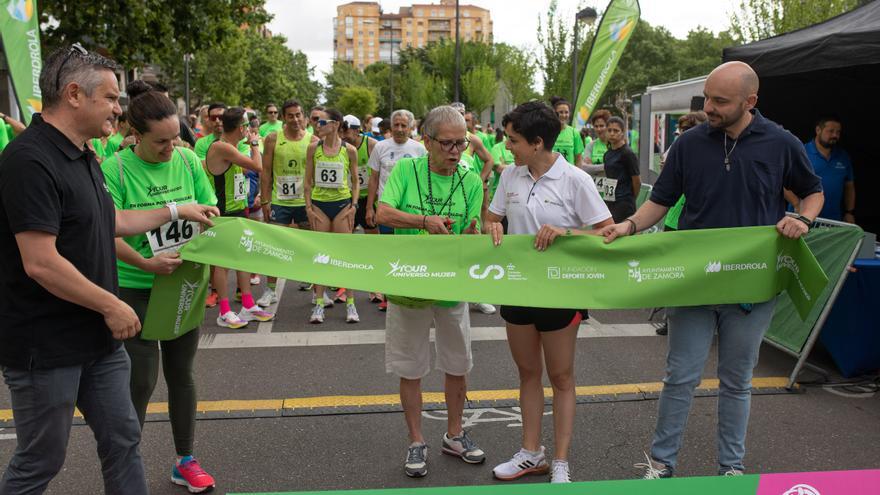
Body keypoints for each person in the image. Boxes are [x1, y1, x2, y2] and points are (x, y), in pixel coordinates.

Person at [0, 43, 217, 495]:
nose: (121, 109)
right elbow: (40, 262)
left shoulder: (82, 154)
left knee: (123, 441)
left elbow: (111, 221)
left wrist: (180, 209)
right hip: (46, 345)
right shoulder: (28, 160)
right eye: (113, 98)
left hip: (97, 341)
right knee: (40, 460)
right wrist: (112, 304)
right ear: (75, 94)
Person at [598, 61, 824, 479]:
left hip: (752, 285)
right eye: (708, 98)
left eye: (721, 101)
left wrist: (804, 220)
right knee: (680, 376)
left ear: (750, 101)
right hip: (694, 281)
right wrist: (629, 225)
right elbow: (660, 201)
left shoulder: (782, 143)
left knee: (737, 381)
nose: (711, 108)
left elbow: (812, 193)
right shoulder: (688, 144)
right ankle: (662, 464)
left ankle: (731, 469)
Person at [100, 82, 218, 494]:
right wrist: (148, 262)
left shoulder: (187, 160)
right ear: (135, 135)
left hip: (183, 284)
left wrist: (206, 223)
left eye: (175, 139)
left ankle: (185, 459)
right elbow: (106, 233)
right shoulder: (113, 170)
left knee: (182, 375)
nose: (171, 148)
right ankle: (125, 467)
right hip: (135, 287)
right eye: (161, 142)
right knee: (140, 380)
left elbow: (208, 208)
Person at [486, 102, 612, 484]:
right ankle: (530, 454)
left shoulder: (575, 179)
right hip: (518, 287)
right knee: (527, 373)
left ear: (538, 143)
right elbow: (492, 217)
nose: (507, 146)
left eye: (513, 140)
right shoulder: (509, 176)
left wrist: (566, 233)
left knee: (561, 376)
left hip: (561, 290)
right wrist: (492, 227)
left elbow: (607, 232)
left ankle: (559, 461)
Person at [376, 105, 486, 478]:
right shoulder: (407, 170)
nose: (456, 151)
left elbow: (474, 234)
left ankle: (454, 434)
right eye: (448, 144)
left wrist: (475, 237)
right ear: (427, 141)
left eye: (462, 143)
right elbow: (382, 214)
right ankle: (416, 440)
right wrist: (423, 221)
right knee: (412, 367)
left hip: (451, 287)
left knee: (458, 365)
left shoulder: (470, 180)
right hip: (409, 284)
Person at [204, 107, 275, 328]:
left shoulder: (232, 148)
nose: (249, 130)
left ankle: (247, 305)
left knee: (244, 258)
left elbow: (243, 172)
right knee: (223, 265)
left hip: (238, 210)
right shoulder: (221, 147)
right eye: (246, 126)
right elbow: (257, 167)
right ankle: (224, 311)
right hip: (222, 213)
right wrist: (254, 144)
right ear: (241, 127)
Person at [258, 99, 320, 306]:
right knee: (275, 246)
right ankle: (270, 290)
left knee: (310, 245)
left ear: (304, 116)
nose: (295, 119)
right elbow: (266, 172)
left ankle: (317, 289)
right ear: (284, 117)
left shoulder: (313, 140)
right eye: (291, 115)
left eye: (298, 115)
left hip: (305, 202)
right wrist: (265, 200)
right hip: (280, 201)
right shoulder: (273, 139)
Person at [304, 108, 360, 324]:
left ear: (336, 124)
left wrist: (354, 205)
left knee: (344, 255)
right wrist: (308, 208)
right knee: (321, 255)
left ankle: (351, 303)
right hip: (319, 205)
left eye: (323, 121)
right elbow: (307, 181)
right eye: (317, 121)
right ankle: (318, 304)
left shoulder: (350, 150)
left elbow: (355, 181)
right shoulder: (313, 148)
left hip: (342, 205)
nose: (319, 125)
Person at [452, 102, 496, 316]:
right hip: (445, 201)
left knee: (473, 243)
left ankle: (478, 295)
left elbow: (489, 160)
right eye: (455, 114)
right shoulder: (441, 139)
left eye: (463, 115)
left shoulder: (473, 139)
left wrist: (479, 181)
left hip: (469, 201)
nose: (459, 117)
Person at [365, 109, 427, 241]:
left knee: (409, 246)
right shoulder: (380, 147)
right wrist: (369, 208)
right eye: (396, 125)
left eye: (403, 125)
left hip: (411, 209)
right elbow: (373, 179)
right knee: (388, 246)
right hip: (387, 208)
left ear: (410, 128)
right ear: (391, 126)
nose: (399, 129)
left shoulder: (419, 149)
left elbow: (425, 180)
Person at [787, 115, 854, 223]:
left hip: (833, 221)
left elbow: (849, 186)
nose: (835, 135)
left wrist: (849, 212)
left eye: (838, 132)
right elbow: (783, 183)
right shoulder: (801, 152)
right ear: (818, 130)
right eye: (831, 131)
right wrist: (796, 204)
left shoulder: (843, 156)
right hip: (802, 218)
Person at [601, 116, 641, 222]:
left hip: (624, 201)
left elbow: (637, 180)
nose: (612, 133)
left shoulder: (627, 153)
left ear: (622, 132)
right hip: (610, 200)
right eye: (609, 130)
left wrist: (630, 199)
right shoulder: (607, 154)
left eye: (616, 130)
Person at [548, 96, 585, 166]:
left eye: (566, 112)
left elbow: (579, 159)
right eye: (560, 112)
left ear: (569, 114)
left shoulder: (574, 133)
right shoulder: (547, 132)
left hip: (569, 175)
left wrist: (577, 176)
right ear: (554, 113)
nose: (563, 115)